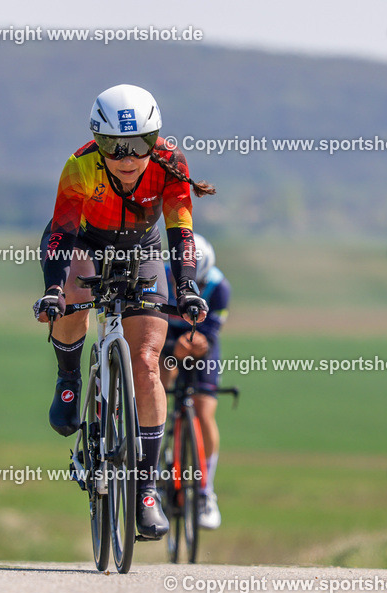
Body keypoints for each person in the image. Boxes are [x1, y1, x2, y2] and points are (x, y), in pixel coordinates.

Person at [33, 84, 215, 540]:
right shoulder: (80, 166)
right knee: (73, 291)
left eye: (139, 144)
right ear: (98, 141)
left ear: (155, 139)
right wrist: (54, 291)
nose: (128, 158)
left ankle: (145, 490)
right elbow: (62, 234)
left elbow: (181, 232)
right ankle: (69, 379)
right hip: (84, 243)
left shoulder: (170, 163)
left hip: (142, 248)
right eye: (115, 146)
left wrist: (187, 286)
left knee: (147, 362)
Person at [159, 233, 231, 529]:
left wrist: (197, 345)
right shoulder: (160, 277)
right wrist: (171, 351)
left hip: (201, 344)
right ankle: (154, 455)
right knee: (157, 386)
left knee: (203, 412)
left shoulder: (219, 286)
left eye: (198, 284)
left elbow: (212, 332)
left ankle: (205, 492)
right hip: (166, 337)